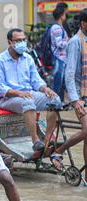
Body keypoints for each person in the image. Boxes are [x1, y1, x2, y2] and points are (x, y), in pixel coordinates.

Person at [0, 28, 61, 153]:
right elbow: (0, 87)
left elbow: (36, 80)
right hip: (8, 98)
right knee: (28, 102)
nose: (22, 43)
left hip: (28, 94)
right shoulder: (0, 61)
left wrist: (45, 88)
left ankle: (47, 138)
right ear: (10, 42)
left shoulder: (28, 58)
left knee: (55, 99)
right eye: (18, 40)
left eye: (24, 40)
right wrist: (19, 93)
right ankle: (35, 140)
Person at [51, 8, 87, 183]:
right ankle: (58, 151)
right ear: (83, 24)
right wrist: (75, 100)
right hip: (80, 96)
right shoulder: (75, 42)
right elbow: (70, 73)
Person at [50, 4, 69, 100]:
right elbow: (59, 44)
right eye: (65, 14)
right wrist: (69, 42)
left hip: (61, 58)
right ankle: (55, 101)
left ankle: (59, 101)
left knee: (60, 82)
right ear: (61, 15)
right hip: (58, 58)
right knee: (57, 82)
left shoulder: (58, 27)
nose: (65, 16)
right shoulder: (56, 28)